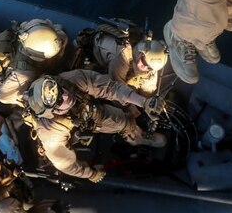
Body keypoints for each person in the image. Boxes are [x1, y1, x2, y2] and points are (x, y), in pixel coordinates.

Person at [24, 70, 166, 182]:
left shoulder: (71, 80)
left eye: (60, 90)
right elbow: (65, 165)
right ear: (52, 112)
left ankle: (131, 120)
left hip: (86, 106)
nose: (66, 96)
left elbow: (112, 88)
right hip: (77, 121)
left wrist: (143, 102)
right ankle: (134, 135)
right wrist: (90, 174)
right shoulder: (50, 132)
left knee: (100, 107)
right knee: (115, 120)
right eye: (59, 100)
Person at [0, 18, 68, 107]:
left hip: (23, 68)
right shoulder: (54, 38)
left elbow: (2, 96)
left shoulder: (24, 72)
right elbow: (60, 31)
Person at [80, 21, 168, 98]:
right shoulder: (122, 56)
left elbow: (149, 84)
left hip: (126, 62)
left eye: (149, 68)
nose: (145, 68)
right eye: (144, 63)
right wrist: (134, 109)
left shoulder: (150, 55)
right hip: (97, 56)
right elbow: (117, 91)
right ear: (141, 53)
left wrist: (148, 101)